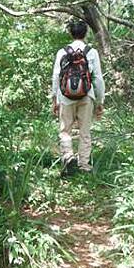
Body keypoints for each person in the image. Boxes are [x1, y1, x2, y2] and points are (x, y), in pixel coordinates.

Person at [51, 21, 105, 175]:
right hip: (86, 96)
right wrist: (100, 102)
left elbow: (56, 76)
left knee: (65, 130)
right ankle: (84, 165)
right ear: (85, 33)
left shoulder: (62, 52)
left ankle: (68, 157)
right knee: (84, 131)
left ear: (71, 33)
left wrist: (54, 98)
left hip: (65, 96)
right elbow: (98, 79)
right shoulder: (91, 52)